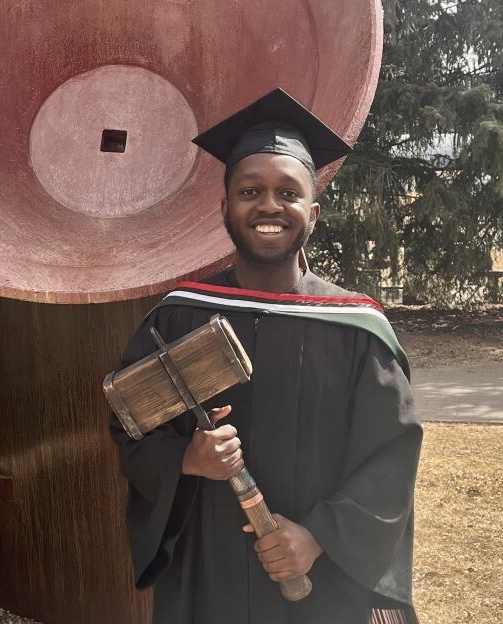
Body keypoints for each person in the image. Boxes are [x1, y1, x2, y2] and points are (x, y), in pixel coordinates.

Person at [110, 88, 422, 624]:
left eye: (288, 193)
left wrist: (318, 537)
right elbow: (130, 427)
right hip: (208, 575)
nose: (269, 206)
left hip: (317, 580)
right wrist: (188, 459)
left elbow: (391, 455)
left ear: (313, 211)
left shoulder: (357, 329)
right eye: (250, 190)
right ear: (225, 207)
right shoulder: (179, 317)